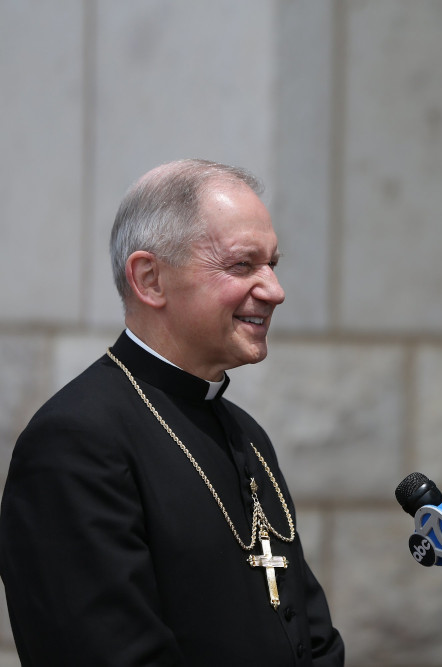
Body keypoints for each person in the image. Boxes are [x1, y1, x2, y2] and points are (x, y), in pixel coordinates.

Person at [0, 159, 346, 665]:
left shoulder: (247, 435)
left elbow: (312, 637)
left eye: (273, 263)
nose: (275, 290)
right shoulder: (74, 444)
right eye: (243, 265)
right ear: (150, 279)